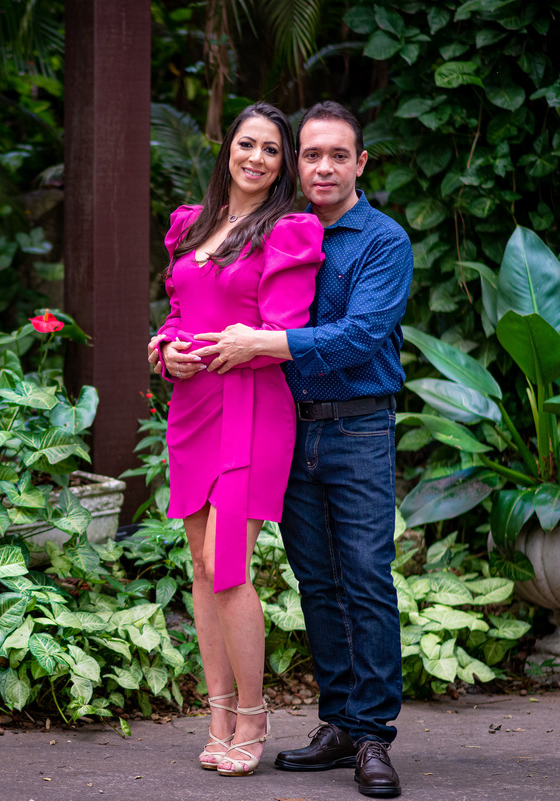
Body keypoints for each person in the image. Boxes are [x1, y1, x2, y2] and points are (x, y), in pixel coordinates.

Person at [175, 101, 412, 798]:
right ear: (296, 165)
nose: (324, 167)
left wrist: (265, 341)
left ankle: (372, 734)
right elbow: (204, 304)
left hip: (357, 427)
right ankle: (337, 722)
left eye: (338, 155)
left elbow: (363, 334)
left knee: (365, 576)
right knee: (317, 580)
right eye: (312, 155)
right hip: (293, 424)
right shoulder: (276, 227)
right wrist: (172, 347)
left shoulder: (382, 240)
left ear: (360, 163)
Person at [151, 102, 324, 778]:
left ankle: (253, 715)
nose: (256, 158)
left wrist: (238, 343)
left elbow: (284, 328)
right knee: (199, 567)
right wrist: (166, 350)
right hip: (193, 405)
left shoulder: (288, 230)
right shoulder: (191, 224)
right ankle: (218, 713)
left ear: (283, 165)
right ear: (228, 148)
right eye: (247, 144)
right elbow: (178, 313)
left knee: (226, 565)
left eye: (271, 150)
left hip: (252, 404)